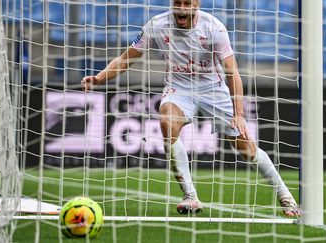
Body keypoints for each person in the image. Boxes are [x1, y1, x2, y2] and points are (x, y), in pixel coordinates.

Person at [82, 0, 300, 217]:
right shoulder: (156, 25)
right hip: (179, 88)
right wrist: (99, 78)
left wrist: (239, 114)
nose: (182, 8)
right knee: (167, 122)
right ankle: (190, 196)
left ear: (197, 4)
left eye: (187, 3)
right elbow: (125, 59)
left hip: (212, 89)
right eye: (178, 3)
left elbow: (232, 71)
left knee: (246, 148)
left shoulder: (214, 27)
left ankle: (285, 196)